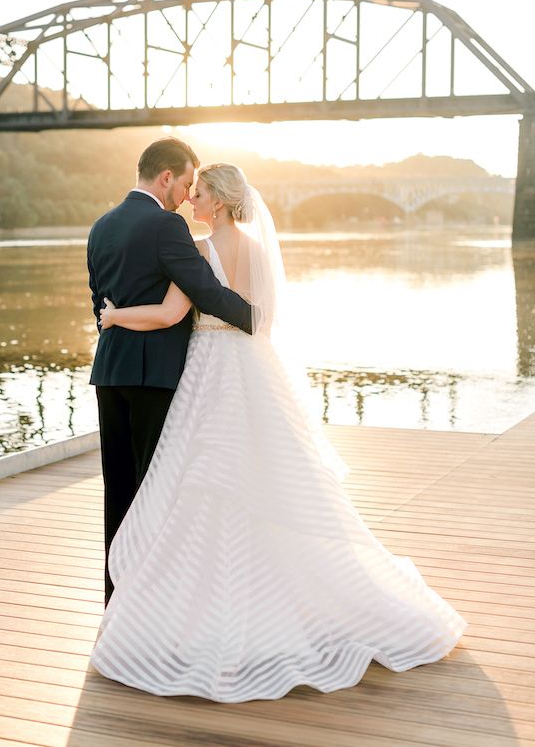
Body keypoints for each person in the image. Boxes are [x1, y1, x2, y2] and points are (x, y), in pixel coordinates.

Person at [89, 162, 467, 702]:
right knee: (270, 477)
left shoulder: (199, 250)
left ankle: (189, 614)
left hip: (209, 371)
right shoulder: (260, 248)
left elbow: (172, 315)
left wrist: (115, 317)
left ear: (216, 203)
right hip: (253, 369)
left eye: (198, 196)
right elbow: (259, 319)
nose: (191, 201)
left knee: (200, 481)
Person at [87, 139, 252, 607]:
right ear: (165, 178)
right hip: (155, 377)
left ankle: (115, 600)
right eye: (183, 183)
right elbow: (205, 291)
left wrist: (119, 322)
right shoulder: (167, 225)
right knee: (154, 489)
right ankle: (150, 605)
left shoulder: (101, 226)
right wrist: (258, 322)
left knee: (117, 486)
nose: (185, 194)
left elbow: (100, 306)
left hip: (110, 372)